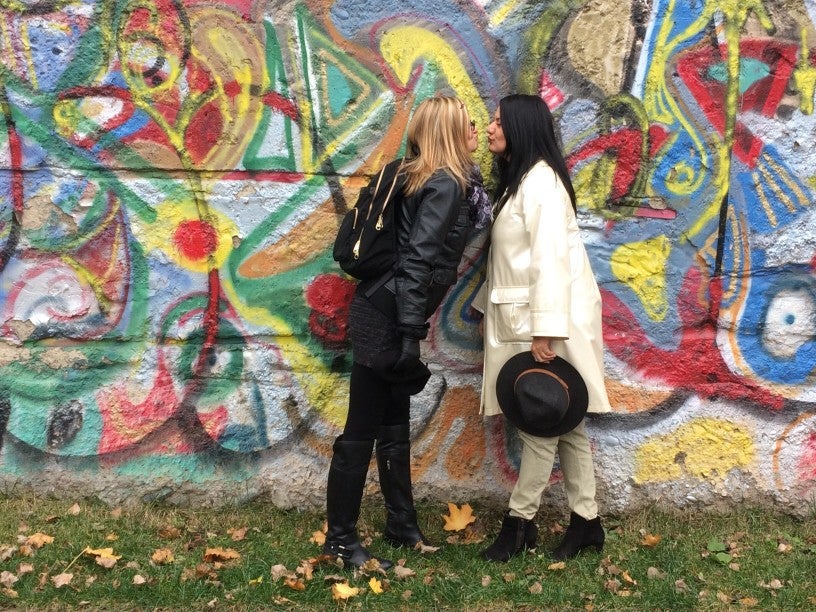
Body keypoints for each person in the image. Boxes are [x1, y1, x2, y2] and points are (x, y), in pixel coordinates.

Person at [323, 95, 484, 569]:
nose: (475, 130)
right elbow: (417, 262)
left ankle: (401, 524)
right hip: (387, 318)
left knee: (393, 424)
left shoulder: (414, 174)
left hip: (384, 308)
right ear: (451, 132)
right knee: (361, 430)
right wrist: (410, 335)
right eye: (467, 123)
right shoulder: (445, 185)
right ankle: (339, 540)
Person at [471, 94, 612, 563]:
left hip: (545, 323)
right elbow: (510, 262)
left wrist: (544, 331)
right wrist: (480, 305)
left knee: (538, 421)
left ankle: (518, 523)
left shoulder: (542, 186)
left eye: (497, 121)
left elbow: (551, 263)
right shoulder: (523, 184)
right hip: (527, 318)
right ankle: (587, 521)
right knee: (563, 420)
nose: (490, 128)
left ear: (520, 127)